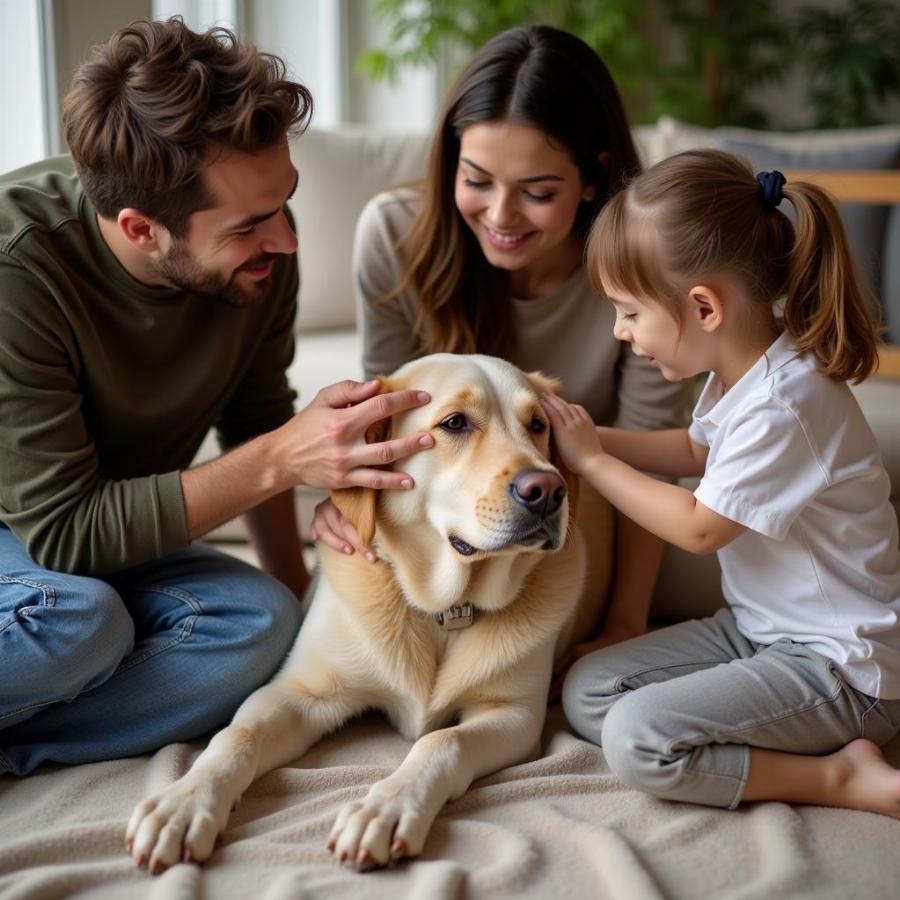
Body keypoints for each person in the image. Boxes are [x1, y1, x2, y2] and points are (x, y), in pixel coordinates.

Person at [0, 18, 434, 776]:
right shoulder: (19, 274)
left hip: (96, 535)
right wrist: (282, 457)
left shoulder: (262, 259)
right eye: (251, 224)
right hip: (36, 538)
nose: (288, 241)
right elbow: (65, 537)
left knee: (260, 626)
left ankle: (19, 745)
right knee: (78, 621)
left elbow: (258, 418)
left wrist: (306, 610)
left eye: (284, 202)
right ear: (142, 229)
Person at [311, 25, 694, 678]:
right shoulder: (394, 235)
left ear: (596, 176)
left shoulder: (643, 268)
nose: (501, 215)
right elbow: (384, 417)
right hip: (462, 522)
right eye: (477, 180)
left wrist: (627, 623)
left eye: (538, 192)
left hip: (575, 517)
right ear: (452, 159)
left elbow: (651, 456)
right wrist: (349, 493)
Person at [543, 148, 900, 816]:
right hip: (761, 632)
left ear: (704, 306)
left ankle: (841, 779)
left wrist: (594, 465)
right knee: (589, 687)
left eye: (628, 312)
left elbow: (700, 527)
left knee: (637, 735)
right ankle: (784, 744)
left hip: (843, 671)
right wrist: (585, 437)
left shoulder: (788, 403)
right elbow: (695, 449)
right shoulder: (741, 373)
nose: (621, 333)